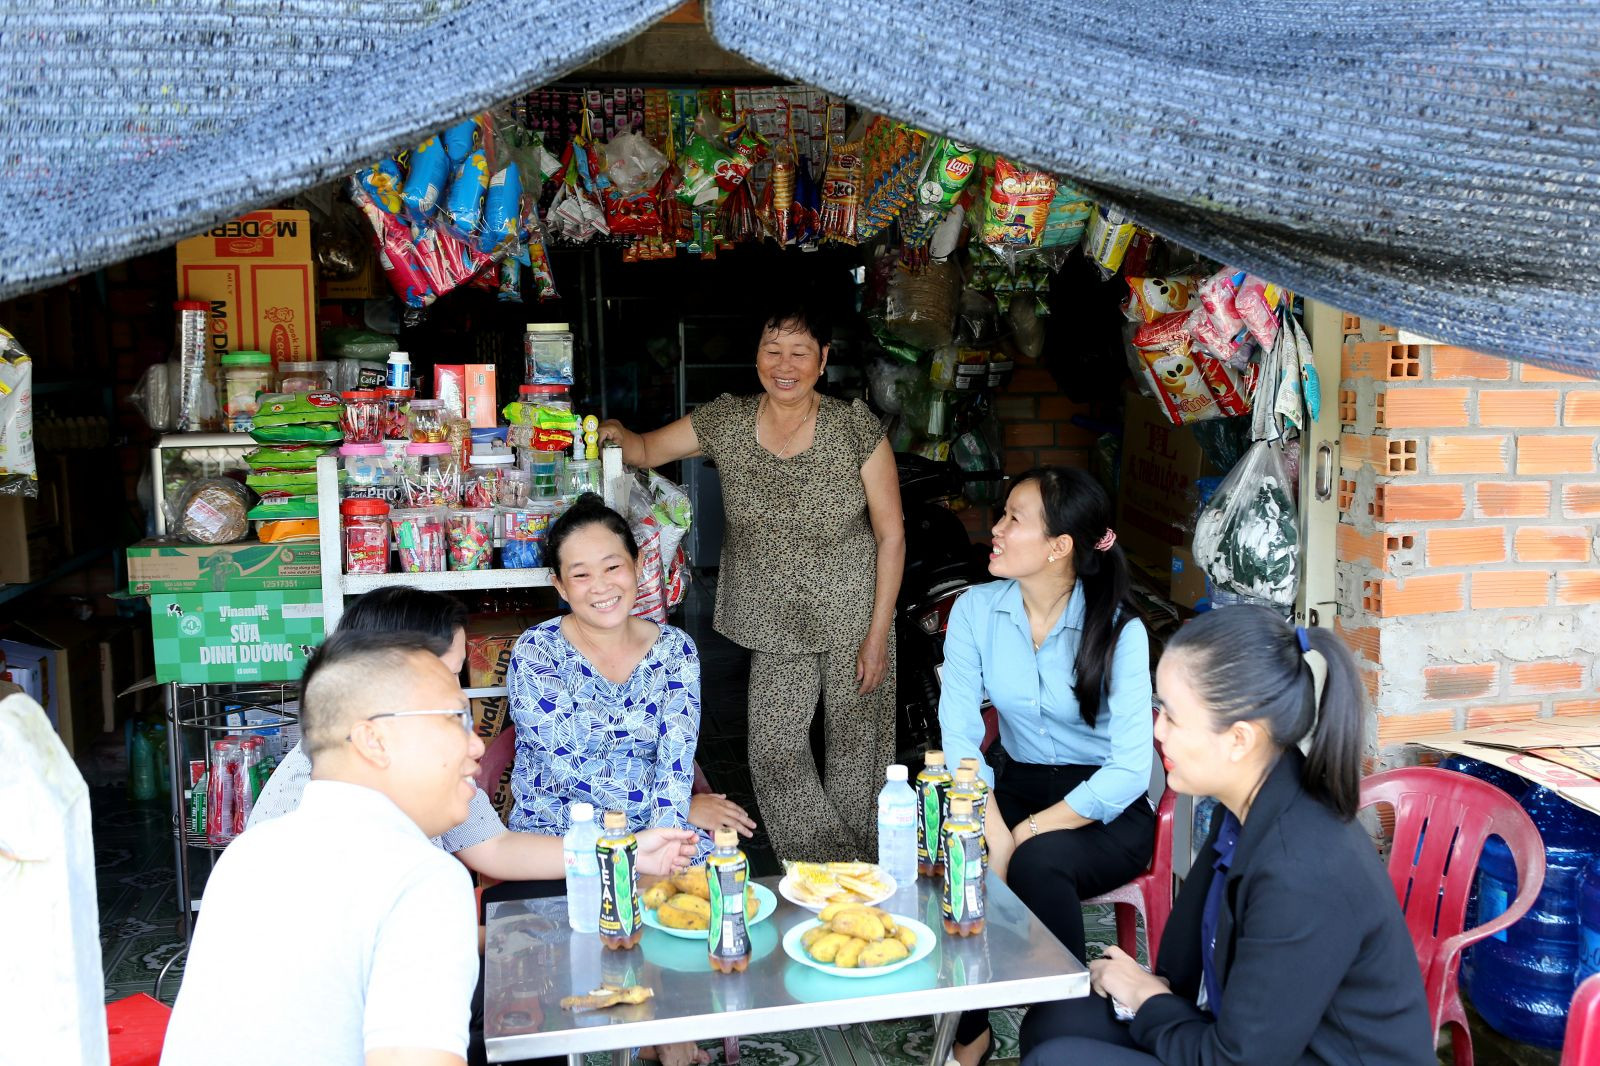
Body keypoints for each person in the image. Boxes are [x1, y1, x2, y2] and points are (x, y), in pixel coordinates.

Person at [1019, 606, 1435, 1065]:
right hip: (1239, 1038)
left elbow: (1235, 1059)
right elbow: (1176, 973)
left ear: (1240, 739)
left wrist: (1148, 1002)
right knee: (1053, 1022)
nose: (1158, 732)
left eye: (1173, 718)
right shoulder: (1244, 810)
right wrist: (1149, 996)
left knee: (1056, 1060)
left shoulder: (1301, 869)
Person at [599, 298, 904, 862]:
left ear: (822, 360)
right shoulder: (726, 420)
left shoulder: (855, 428)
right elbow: (644, 449)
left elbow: (891, 535)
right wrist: (614, 432)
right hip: (776, 622)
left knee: (858, 756)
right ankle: (830, 874)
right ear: (757, 356)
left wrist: (878, 633)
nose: (784, 364)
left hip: (854, 615)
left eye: (800, 352)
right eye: (773, 350)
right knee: (774, 751)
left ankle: (858, 878)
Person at [162, 630, 486, 1066]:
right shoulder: (418, 876)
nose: (477, 744)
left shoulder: (248, 854)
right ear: (374, 740)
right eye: (455, 719)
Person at [250, 585, 697, 881]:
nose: (474, 743)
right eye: (444, 680)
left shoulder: (413, 754)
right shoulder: (316, 807)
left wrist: (629, 850)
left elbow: (495, 847)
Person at [938, 467, 1155, 1066]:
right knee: (960, 856)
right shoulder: (975, 611)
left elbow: (1130, 770)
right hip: (1015, 782)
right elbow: (959, 734)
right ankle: (973, 1032)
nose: (996, 530)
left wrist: (1023, 833)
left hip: (1106, 807)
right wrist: (991, 826)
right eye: (1001, 515)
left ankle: (1064, 1032)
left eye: (1014, 519)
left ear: (1059, 546)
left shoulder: (1119, 628)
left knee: (1038, 860)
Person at [506, 494, 750, 863]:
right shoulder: (538, 651)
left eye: (612, 567)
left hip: (655, 820)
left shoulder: (674, 650)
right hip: (561, 835)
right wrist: (681, 809)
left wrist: (667, 832)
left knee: (708, 889)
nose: (601, 586)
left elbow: (676, 758)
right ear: (560, 585)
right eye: (581, 574)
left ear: (637, 566)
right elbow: (567, 771)